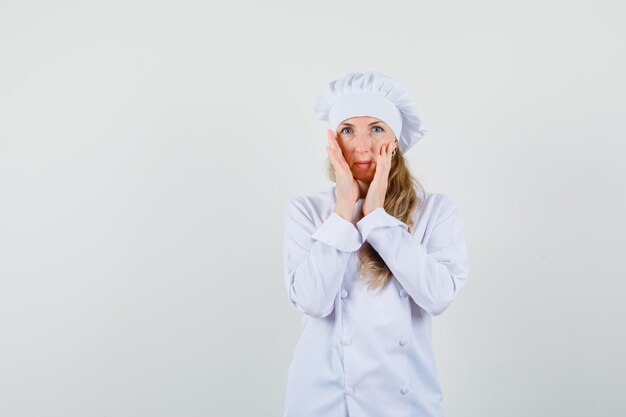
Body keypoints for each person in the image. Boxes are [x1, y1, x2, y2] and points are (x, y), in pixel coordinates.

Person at [282, 71, 470, 417]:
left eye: (377, 129)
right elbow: (311, 301)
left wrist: (377, 218)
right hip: (324, 401)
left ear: (396, 140)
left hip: (406, 404)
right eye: (348, 130)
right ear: (333, 140)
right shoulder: (307, 211)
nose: (363, 146)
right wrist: (343, 212)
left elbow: (439, 296)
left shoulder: (435, 211)